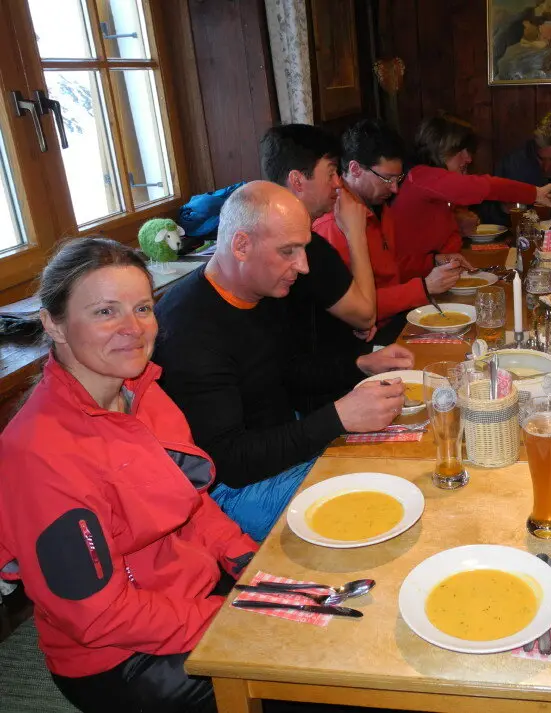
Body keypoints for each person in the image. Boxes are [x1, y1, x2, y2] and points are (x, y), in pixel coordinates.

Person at [0, 237, 257, 713]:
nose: (132, 329)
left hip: (185, 594)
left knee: (320, 618)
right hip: (120, 659)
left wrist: (246, 559)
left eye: (142, 308)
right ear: (53, 323)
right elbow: (99, 616)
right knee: (308, 683)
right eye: (104, 312)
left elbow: (190, 500)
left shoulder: (140, 388)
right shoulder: (39, 454)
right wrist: (228, 618)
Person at [153, 182, 413, 541]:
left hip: (282, 445)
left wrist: (361, 364)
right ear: (241, 245)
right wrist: (337, 417)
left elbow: (288, 371)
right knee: (376, 513)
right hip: (231, 489)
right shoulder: (189, 329)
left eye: (303, 249)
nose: (303, 266)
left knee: (403, 469)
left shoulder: (264, 289)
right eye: (289, 251)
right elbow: (229, 461)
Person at [314, 119, 462, 346]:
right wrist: (423, 287)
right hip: (365, 340)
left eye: (398, 178)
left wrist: (432, 261)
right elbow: (355, 306)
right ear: (354, 169)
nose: (395, 188)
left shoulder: (379, 206)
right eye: (387, 179)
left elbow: (390, 267)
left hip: (396, 321)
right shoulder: (334, 225)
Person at [389, 113, 551, 280]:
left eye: (469, 150)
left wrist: (456, 225)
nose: (468, 158)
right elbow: (485, 187)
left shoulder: (429, 183)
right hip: (409, 284)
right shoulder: (423, 176)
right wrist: (535, 194)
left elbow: (447, 244)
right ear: (439, 149)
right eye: (460, 150)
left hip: (425, 277)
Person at [259, 123, 377, 336]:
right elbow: (366, 316)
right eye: (331, 173)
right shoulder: (307, 248)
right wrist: (355, 233)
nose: (338, 183)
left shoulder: (265, 229)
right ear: (297, 180)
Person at [480, 112, 551, 225]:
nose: (546, 167)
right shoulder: (513, 165)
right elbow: (484, 215)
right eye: (540, 158)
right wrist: (502, 209)